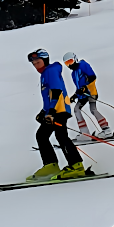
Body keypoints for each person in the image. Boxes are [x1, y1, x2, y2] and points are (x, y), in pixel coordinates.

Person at [27, 49, 86, 181]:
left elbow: (56, 91)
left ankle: (76, 166)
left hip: (59, 111)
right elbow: (49, 97)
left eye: (38, 62)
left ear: (45, 60)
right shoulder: (45, 74)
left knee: (61, 135)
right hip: (53, 111)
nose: (36, 65)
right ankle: (51, 165)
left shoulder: (51, 71)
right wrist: (43, 112)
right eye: (34, 63)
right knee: (41, 135)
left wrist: (52, 112)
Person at [63, 52, 114, 139]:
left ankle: (106, 130)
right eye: (67, 63)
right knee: (77, 109)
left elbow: (92, 77)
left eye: (70, 61)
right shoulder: (73, 73)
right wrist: (75, 95)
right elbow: (79, 87)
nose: (69, 65)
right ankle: (85, 133)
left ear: (75, 59)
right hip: (83, 95)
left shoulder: (83, 65)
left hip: (90, 92)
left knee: (92, 109)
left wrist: (85, 87)